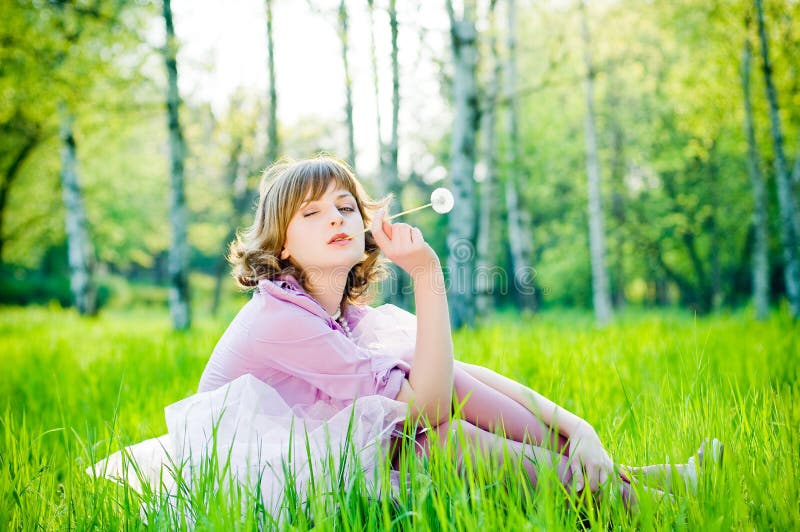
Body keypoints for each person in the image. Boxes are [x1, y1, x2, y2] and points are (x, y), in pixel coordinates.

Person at [90, 155, 719, 516]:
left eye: (344, 207)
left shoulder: (340, 313)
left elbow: (457, 379)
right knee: (433, 444)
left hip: (322, 456)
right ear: (281, 244)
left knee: (433, 409)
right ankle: (642, 505)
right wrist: (429, 275)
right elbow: (430, 411)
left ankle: (629, 477)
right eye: (310, 214)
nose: (334, 218)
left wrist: (575, 425)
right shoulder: (279, 317)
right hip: (257, 489)